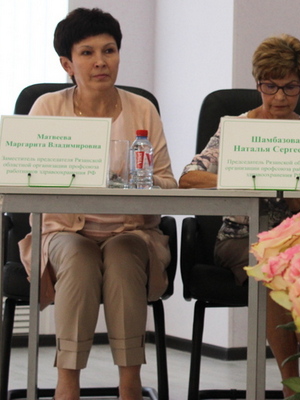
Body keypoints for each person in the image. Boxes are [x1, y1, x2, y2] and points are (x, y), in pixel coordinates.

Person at [17, 8, 177, 400]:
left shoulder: (143, 109)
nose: (101, 61)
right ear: (67, 64)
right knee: (79, 256)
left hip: (133, 231)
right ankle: (67, 383)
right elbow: (27, 177)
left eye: (109, 50)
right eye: (87, 53)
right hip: (62, 232)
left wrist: (134, 181)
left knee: (122, 256)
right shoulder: (47, 108)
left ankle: (130, 383)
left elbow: (168, 183)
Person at [179, 33, 300, 397]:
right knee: (271, 265)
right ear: (258, 84)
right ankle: (292, 387)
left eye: (290, 87)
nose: (280, 97)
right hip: (241, 238)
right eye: (271, 86)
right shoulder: (235, 128)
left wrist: (294, 195)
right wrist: (244, 178)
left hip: (296, 238)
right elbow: (189, 178)